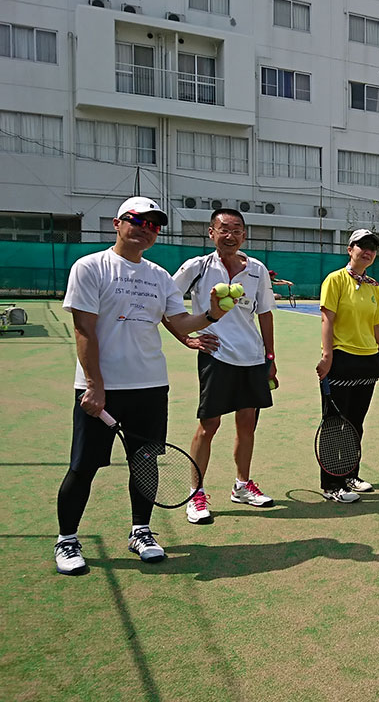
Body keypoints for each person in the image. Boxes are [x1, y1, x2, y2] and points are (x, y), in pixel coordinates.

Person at [55, 196, 233, 575]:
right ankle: (67, 539)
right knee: (84, 466)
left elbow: (180, 323)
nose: (145, 229)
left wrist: (211, 314)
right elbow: (84, 329)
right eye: (137, 220)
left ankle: (142, 531)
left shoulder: (158, 276)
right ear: (117, 224)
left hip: (151, 386)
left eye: (153, 224)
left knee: (146, 463)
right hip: (100, 389)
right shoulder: (90, 267)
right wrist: (94, 385)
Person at [166, 208, 277, 525]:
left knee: (247, 423)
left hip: (253, 359)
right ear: (211, 233)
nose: (230, 235)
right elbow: (164, 304)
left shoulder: (255, 269)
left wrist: (270, 359)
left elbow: (266, 314)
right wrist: (187, 339)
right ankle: (196, 494)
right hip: (216, 357)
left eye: (237, 229)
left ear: (244, 235)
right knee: (209, 425)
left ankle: (242, 486)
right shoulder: (197, 267)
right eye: (223, 229)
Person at [315, 229, 379, 502]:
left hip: (367, 362)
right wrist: (327, 356)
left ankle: (349, 475)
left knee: (356, 424)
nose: (367, 251)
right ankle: (331, 485)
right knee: (335, 423)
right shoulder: (335, 280)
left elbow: (376, 325)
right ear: (350, 249)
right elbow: (327, 320)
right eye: (362, 246)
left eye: (372, 248)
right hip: (341, 359)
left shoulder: (373, 285)